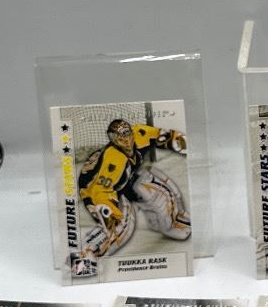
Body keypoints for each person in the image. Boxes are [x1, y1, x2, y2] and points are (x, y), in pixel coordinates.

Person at [73, 116, 190, 276]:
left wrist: (178, 140)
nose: (126, 139)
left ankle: (172, 221)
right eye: (119, 136)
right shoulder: (114, 159)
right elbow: (100, 190)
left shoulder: (139, 133)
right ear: (112, 139)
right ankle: (83, 258)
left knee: (159, 186)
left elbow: (162, 135)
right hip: (94, 192)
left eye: (127, 133)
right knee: (121, 224)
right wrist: (108, 210)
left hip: (122, 180)